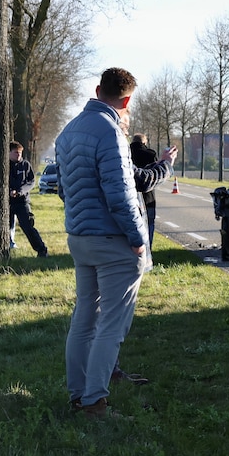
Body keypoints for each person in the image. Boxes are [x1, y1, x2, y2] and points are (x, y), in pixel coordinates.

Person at [55, 67, 175, 419]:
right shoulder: (110, 133)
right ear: (126, 100)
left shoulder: (68, 131)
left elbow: (65, 189)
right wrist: (138, 239)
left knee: (83, 321)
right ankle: (95, 402)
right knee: (110, 325)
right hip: (113, 242)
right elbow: (121, 195)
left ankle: (78, 396)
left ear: (97, 89)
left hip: (80, 238)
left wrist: (161, 168)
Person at [8, 141, 49, 257]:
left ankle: (41, 249)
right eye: (15, 153)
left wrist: (20, 191)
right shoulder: (4, 165)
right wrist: (9, 191)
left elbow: (31, 182)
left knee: (28, 226)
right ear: (9, 153)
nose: (18, 155)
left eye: (20, 153)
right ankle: (6, 250)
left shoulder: (25, 165)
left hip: (22, 202)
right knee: (7, 227)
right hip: (7, 202)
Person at [129, 133, 160, 249]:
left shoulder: (125, 153)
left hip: (130, 197)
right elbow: (156, 174)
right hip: (148, 197)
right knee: (149, 224)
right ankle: (148, 249)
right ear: (144, 142)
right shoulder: (151, 154)